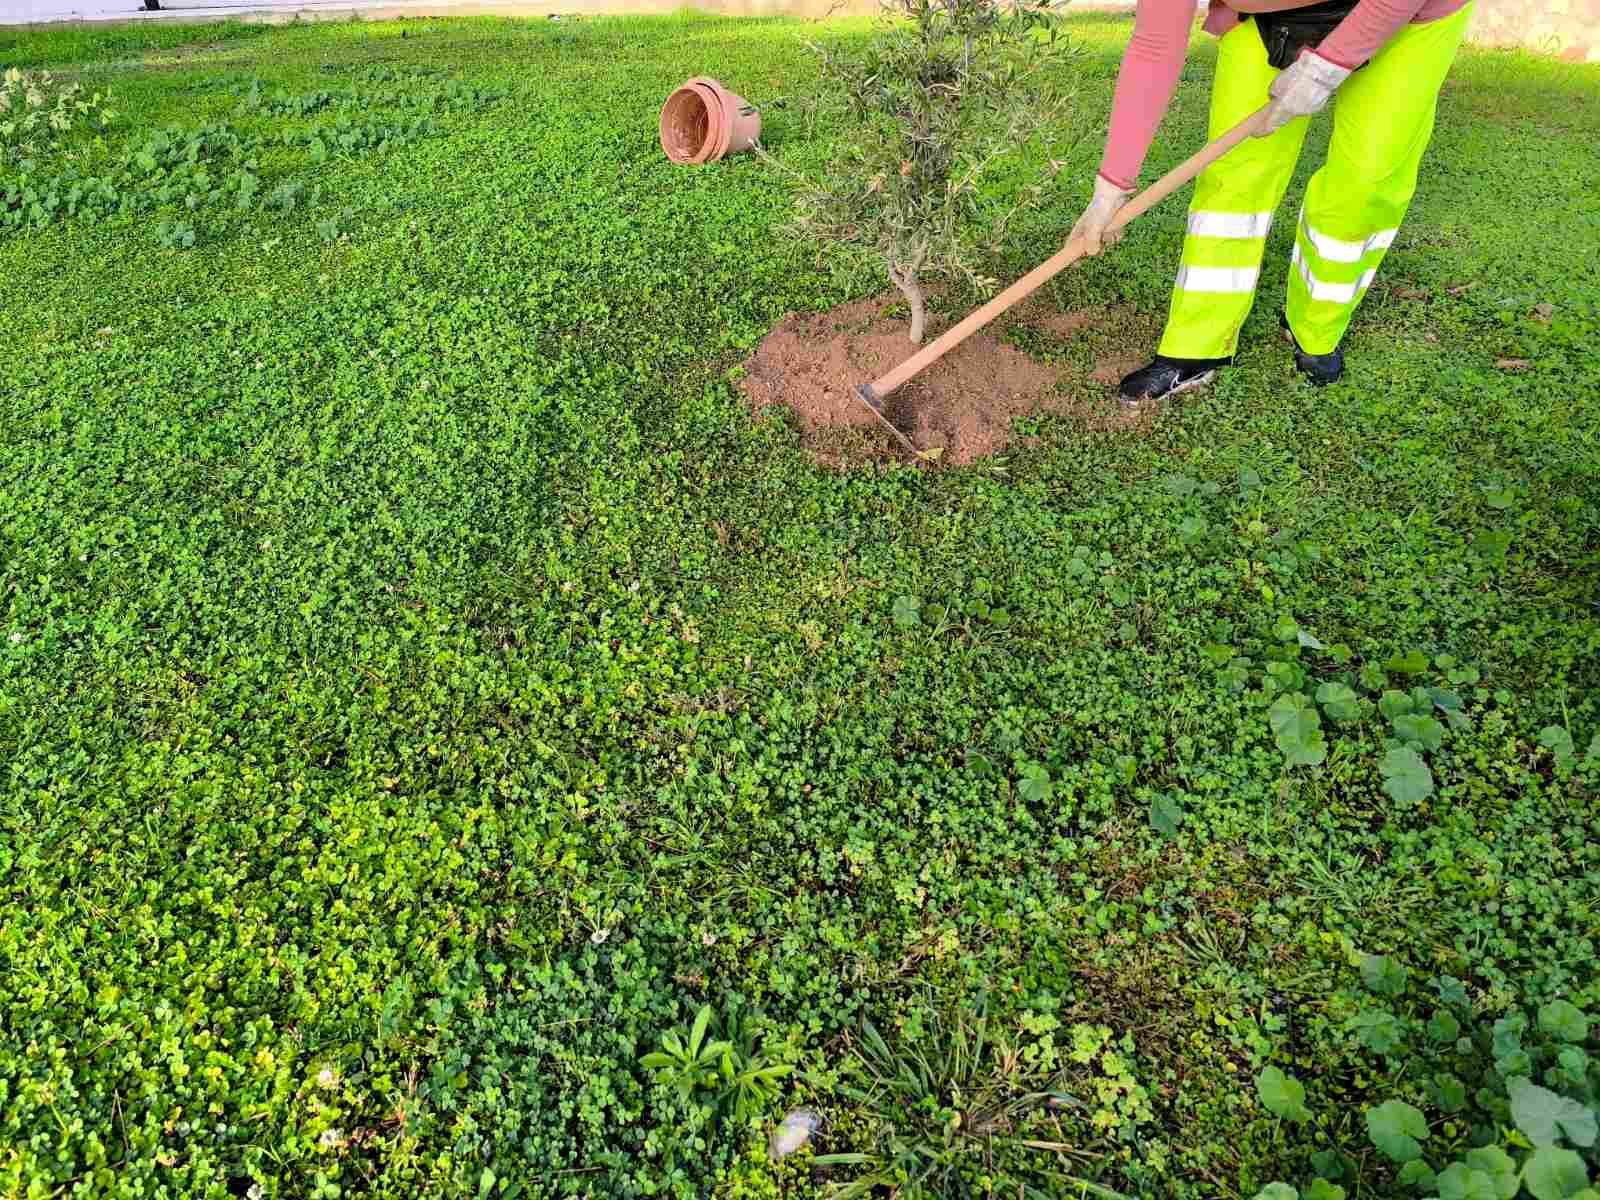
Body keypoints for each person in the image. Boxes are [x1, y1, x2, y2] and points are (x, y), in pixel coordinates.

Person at [1071, 0, 1474, 404]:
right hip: (1267, 19)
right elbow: (1155, 45)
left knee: (1366, 180)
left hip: (1410, 16)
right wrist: (1112, 187)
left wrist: (1326, 66)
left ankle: (1317, 329)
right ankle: (1196, 345)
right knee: (1234, 172)